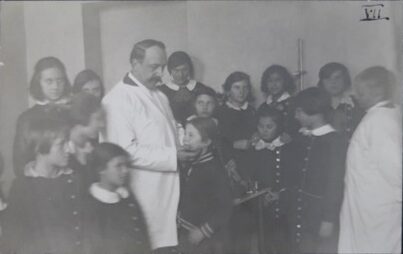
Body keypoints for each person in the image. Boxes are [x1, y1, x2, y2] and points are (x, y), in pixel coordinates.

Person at [101, 39, 196, 253]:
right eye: (154, 67)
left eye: (162, 67)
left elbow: (172, 126)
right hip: (145, 198)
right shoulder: (117, 100)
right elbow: (124, 152)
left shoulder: (159, 94)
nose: (160, 73)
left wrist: (186, 140)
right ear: (135, 63)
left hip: (171, 194)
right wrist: (173, 157)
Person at [338, 66, 402, 254]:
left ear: (377, 92)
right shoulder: (378, 116)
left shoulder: (381, 122)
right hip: (367, 207)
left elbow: (396, 169)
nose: (355, 95)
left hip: (378, 211)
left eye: (360, 92)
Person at [1, 117, 85, 254]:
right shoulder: (21, 188)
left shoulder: (75, 180)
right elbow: (12, 242)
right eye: (61, 144)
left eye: (68, 142)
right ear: (40, 147)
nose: (69, 149)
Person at [288, 87, 347, 254]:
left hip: (319, 213)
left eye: (299, 111)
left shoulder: (334, 141)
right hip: (302, 212)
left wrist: (328, 219)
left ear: (313, 110)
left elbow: (335, 183)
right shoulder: (304, 137)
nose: (295, 116)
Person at [178, 117, 232, 254]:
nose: (185, 139)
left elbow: (226, 207)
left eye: (191, 135)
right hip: (188, 232)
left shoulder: (214, 169)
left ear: (206, 142)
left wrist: (203, 231)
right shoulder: (195, 164)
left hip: (206, 239)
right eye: (185, 134)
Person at [84, 142, 150, 254]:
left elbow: (143, 239)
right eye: (119, 166)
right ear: (101, 169)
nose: (125, 170)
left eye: (126, 165)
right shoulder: (91, 206)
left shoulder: (127, 198)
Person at [216, 71, 256, 254]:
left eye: (245, 87)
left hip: (250, 166)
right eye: (237, 87)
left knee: (249, 220)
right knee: (231, 218)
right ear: (228, 90)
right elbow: (218, 143)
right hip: (230, 167)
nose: (242, 92)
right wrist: (234, 144)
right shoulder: (220, 112)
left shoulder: (252, 111)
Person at [13, 56, 71, 177]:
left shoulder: (72, 112)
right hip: (40, 184)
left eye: (60, 81)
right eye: (49, 81)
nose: (55, 86)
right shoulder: (27, 118)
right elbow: (20, 163)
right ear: (38, 83)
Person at [250, 106, 293, 254]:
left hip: (281, 203)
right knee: (264, 241)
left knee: (281, 241)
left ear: (278, 127)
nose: (264, 130)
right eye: (261, 126)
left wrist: (279, 194)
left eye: (269, 126)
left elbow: (291, 178)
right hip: (260, 203)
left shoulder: (286, 148)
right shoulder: (256, 147)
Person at [159, 51, 211, 125]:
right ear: (170, 70)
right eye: (176, 70)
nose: (181, 74)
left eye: (184, 69)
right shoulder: (161, 91)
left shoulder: (200, 88)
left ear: (189, 69)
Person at [68, 92, 106, 189]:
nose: (102, 125)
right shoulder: (62, 147)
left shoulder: (95, 145)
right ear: (82, 117)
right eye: (98, 119)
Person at [317, 62, 364, 137]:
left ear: (345, 80)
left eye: (337, 78)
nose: (333, 82)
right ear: (322, 82)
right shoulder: (315, 105)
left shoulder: (358, 104)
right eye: (327, 78)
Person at [258, 65, 299, 136]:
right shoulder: (263, 107)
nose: (274, 85)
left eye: (278, 80)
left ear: (285, 81)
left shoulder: (294, 103)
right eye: (270, 81)